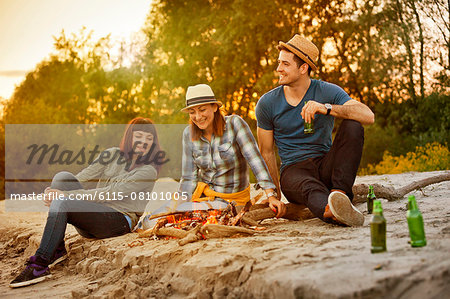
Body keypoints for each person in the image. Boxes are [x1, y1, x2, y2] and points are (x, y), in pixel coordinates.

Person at [10, 117, 161, 288]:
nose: (144, 142)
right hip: (95, 215)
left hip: (119, 221)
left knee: (64, 201)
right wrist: (54, 191)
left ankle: (40, 264)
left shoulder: (148, 170)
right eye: (139, 136)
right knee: (62, 178)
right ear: (129, 137)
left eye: (149, 139)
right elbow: (83, 176)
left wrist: (66, 197)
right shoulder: (111, 154)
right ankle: (57, 250)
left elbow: (110, 193)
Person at [255, 34, 375, 226]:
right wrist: (274, 196)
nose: (278, 69)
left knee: (353, 125)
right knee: (309, 187)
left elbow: (368, 116)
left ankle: (339, 195)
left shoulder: (327, 91)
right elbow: (266, 152)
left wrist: (326, 108)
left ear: (303, 68)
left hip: (325, 165)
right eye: (279, 63)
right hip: (294, 172)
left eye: (285, 64)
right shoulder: (267, 103)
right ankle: (331, 212)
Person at [179, 83, 285, 213]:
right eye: (192, 112)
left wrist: (270, 195)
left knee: (190, 213)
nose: (198, 117)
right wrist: (178, 204)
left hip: (233, 201)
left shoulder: (234, 124)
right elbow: (189, 178)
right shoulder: (188, 134)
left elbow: (255, 160)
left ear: (214, 107)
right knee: (151, 220)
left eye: (202, 110)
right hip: (203, 198)